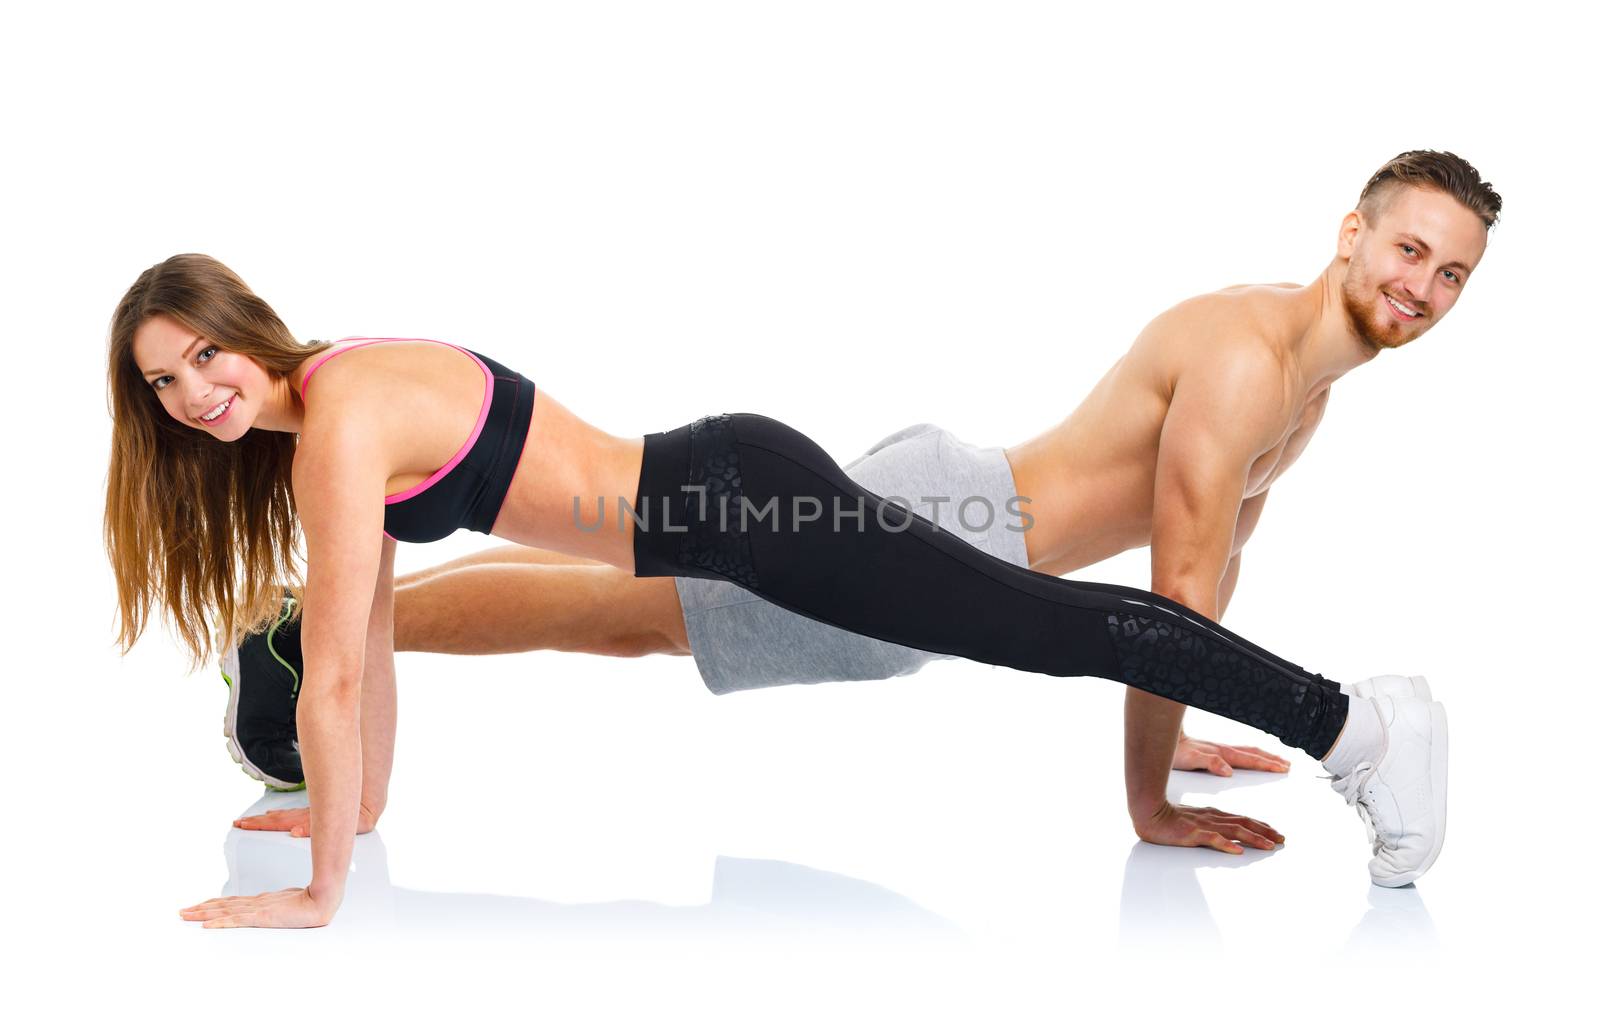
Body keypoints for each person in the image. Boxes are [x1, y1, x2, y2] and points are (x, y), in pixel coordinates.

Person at [104, 149, 1495, 929]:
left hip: (751, 503)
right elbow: (358, 653)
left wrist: (320, 894)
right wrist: (353, 817)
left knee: (1040, 630)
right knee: (626, 617)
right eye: (167, 384)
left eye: (204, 357)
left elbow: (343, 669)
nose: (195, 394)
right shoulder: (337, 405)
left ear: (250, 326)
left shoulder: (338, 422)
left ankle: (1353, 722)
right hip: (754, 491)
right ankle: (1353, 723)